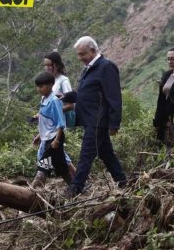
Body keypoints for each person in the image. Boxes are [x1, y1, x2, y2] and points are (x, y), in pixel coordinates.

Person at [66, 36, 127, 196]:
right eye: (78, 55)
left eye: (82, 54)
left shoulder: (106, 67)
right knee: (106, 153)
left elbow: (114, 96)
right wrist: (65, 96)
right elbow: (84, 95)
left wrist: (114, 123)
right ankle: (123, 183)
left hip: (98, 120)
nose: (80, 58)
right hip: (90, 120)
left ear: (93, 51)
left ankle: (74, 190)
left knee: (86, 155)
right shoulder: (89, 69)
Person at [31, 72, 71, 188]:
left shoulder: (54, 101)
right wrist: (39, 136)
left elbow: (60, 123)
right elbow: (47, 123)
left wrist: (57, 140)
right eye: (38, 86)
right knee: (61, 166)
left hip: (55, 137)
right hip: (48, 136)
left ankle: (36, 188)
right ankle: (75, 187)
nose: (39, 89)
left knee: (44, 163)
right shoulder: (44, 99)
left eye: (41, 86)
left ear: (50, 85)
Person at [44, 51, 76, 178]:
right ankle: (77, 178)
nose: (46, 68)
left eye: (49, 65)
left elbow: (71, 104)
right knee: (57, 150)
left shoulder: (63, 81)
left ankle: (41, 176)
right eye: (45, 65)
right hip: (50, 122)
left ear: (56, 65)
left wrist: (54, 111)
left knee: (49, 148)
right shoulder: (51, 80)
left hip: (59, 122)